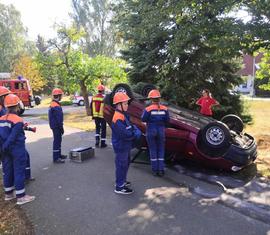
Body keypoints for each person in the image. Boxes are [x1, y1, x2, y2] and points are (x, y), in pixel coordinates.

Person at [0, 94, 35, 205]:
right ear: (17, 106)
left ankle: (8, 194)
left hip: (5, 151)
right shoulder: (18, 120)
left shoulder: (1, 119)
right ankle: (21, 196)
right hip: (16, 149)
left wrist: (3, 148)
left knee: (8, 171)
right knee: (19, 171)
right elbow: (13, 136)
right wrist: (6, 146)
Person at [111, 92, 141, 195]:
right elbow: (126, 134)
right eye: (125, 104)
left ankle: (122, 181)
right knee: (121, 165)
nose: (127, 105)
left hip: (125, 146)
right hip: (121, 146)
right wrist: (135, 133)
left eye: (127, 103)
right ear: (119, 105)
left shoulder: (123, 114)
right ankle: (119, 187)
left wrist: (134, 130)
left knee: (125, 164)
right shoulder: (117, 118)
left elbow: (131, 126)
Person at [141, 89, 169, 176]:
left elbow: (143, 119)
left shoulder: (148, 109)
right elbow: (167, 120)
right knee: (161, 149)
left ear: (151, 99)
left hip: (151, 131)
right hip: (161, 131)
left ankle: (154, 170)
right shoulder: (165, 109)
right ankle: (161, 170)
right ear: (159, 99)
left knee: (153, 149)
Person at [48, 88, 66, 163]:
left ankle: (58, 154)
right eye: (61, 95)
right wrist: (61, 128)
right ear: (58, 96)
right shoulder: (56, 106)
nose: (61, 97)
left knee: (58, 140)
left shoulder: (53, 104)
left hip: (54, 125)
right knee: (57, 141)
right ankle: (56, 158)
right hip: (56, 126)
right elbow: (59, 119)